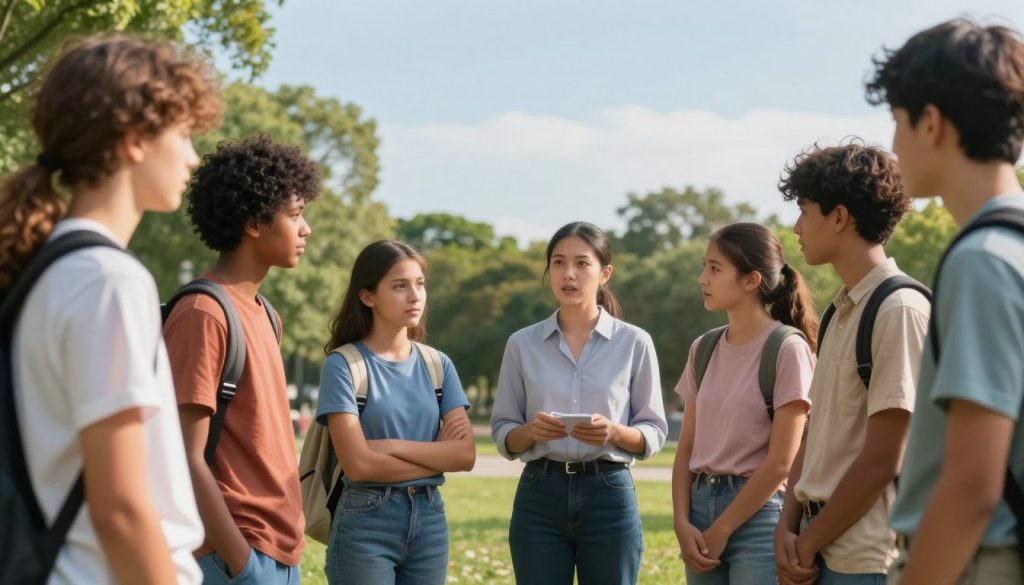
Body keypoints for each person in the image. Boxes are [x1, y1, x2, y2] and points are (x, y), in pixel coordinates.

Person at [1, 34, 220, 584]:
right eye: (184, 134)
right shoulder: (108, 280)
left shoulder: (49, 269)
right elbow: (121, 506)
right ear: (134, 140)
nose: (194, 156)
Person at [865, 18, 1024, 585]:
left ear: (931, 123)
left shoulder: (982, 259)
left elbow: (971, 488)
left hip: (980, 562)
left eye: (897, 123)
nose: (893, 146)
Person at [163, 134, 320, 584]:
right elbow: (184, 455)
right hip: (232, 558)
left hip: (280, 554)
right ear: (253, 223)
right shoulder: (203, 313)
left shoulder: (266, 313)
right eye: (295, 216)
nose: (305, 228)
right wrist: (241, 563)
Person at [774, 142, 929, 585]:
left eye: (804, 210)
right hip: (816, 545)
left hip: (864, 558)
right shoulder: (840, 311)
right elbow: (816, 431)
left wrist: (805, 542)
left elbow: (885, 457)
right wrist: (788, 526)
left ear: (839, 217)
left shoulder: (899, 309)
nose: (797, 226)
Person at [490, 221, 668, 585]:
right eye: (558, 263)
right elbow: (503, 432)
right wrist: (530, 431)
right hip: (539, 493)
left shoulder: (634, 343)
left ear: (605, 273)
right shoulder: (521, 345)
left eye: (581, 263)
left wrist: (614, 432)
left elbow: (653, 432)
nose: (568, 274)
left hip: (610, 494)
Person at [317, 240, 475, 585]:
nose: (415, 296)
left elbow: (464, 455)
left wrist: (388, 445)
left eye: (419, 284)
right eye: (400, 286)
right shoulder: (343, 366)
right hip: (365, 519)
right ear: (367, 296)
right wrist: (437, 455)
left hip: (430, 519)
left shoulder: (438, 364)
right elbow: (359, 465)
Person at [673, 222, 816, 584]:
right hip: (699, 511)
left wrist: (723, 528)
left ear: (751, 280)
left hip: (760, 517)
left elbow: (783, 461)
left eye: (715, 269)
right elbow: (686, 448)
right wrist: (681, 521)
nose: (702, 278)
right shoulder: (702, 348)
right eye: (705, 266)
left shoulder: (787, 348)